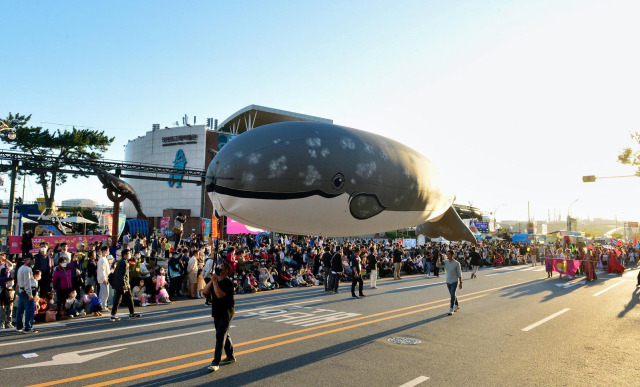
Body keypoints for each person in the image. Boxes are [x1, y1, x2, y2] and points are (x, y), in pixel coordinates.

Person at [205, 261, 236, 372]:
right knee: (223, 333)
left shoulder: (228, 283)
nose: (219, 268)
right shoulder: (215, 281)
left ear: (226, 270)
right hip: (217, 311)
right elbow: (205, 291)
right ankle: (231, 356)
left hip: (226, 312)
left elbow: (219, 295)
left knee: (220, 335)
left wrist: (214, 282)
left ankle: (216, 362)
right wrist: (213, 281)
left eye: (221, 267)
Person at [110, 249, 141, 322]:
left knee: (124, 298)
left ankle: (115, 314)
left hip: (121, 283)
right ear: (124, 255)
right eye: (128, 254)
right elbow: (122, 275)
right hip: (123, 284)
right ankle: (115, 315)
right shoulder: (124, 263)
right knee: (120, 299)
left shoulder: (122, 262)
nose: (129, 255)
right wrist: (124, 284)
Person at [16, 255, 37, 333]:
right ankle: (28, 327)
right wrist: (30, 293)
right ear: (27, 260)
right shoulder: (27, 269)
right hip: (26, 292)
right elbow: (27, 282)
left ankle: (19, 327)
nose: (33, 261)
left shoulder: (21, 268)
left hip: (21, 291)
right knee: (29, 310)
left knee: (20, 310)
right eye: (32, 259)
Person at [443, 250, 462, 316]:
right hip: (448, 281)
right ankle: (456, 305)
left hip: (454, 281)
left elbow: (459, 274)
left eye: (449, 254)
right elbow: (438, 264)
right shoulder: (445, 262)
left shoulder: (457, 263)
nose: (448, 256)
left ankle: (451, 308)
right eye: (447, 254)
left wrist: (460, 282)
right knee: (452, 294)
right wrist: (438, 256)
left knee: (452, 294)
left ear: (452, 255)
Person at [97, 246, 111, 311]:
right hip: (103, 279)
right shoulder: (102, 259)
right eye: (106, 250)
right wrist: (104, 279)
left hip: (105, 278)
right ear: (103, 251)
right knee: (105, 293)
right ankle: (103, 306)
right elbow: (102, 270)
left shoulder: (104, 258)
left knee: (103, 292)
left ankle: (102, 305)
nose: (107, 252)